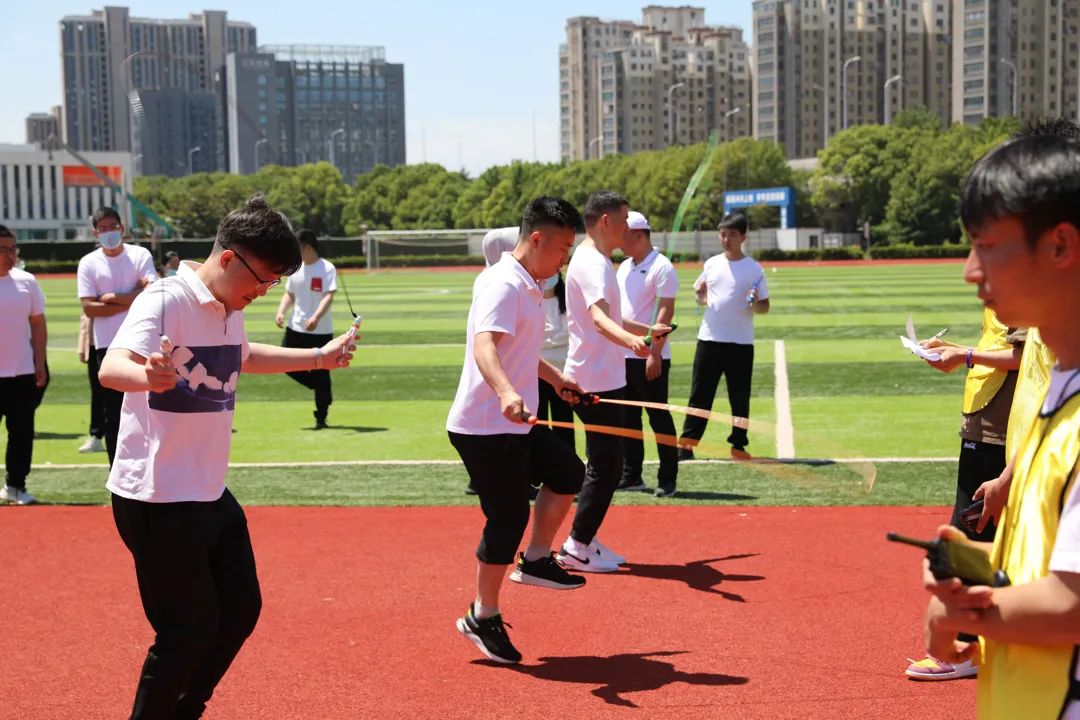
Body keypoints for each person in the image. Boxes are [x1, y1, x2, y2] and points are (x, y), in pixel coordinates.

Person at [98, 195, 357, 719]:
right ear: (229, 258)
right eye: (262, 279)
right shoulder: (165, 299)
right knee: (185, 630)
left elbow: (241, 356)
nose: (263, 292)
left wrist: (318, 357)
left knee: (240, 610)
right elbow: (112, 366)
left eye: (273, 284)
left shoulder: (227, 307)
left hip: (208, 489)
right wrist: (146, 375)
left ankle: (185, 709)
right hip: (157, 496)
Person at [919, 134, 1080, 719]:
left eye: (986, 247)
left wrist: (958, 615)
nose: (970, 271)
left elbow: (1072, 606)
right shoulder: (1058, 390)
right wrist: (979, 570)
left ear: (1060, 245)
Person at [447, 196, 589, 664]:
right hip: (485, 426)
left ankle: (537, 559)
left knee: (568, 472)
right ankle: (482, 615)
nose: (565, 258)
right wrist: (507, 392)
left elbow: (521, 349)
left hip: (513, 424)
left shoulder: (529, 284)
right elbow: (485, 346)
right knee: (507, 517)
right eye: (563, 248)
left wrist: (557, 379)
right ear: (537, 239)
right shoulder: (503, 284)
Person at [903, 308, 1022, 681]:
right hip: (986, 422)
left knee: (970, 535)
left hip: (998, 430)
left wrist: (966, 356)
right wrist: (953, 350)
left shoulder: (1025, 293)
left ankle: (967, 645)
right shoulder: (1011, 291)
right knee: (981, 534)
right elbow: (1002, 345)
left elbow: (1028, 356)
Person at [556, 190, 667, 573]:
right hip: (594, 382)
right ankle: (576, 545)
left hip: (602, 377)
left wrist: (646, 330)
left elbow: (612, 317)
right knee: (606, 466)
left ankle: (582, 540)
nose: (628, 229)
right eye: (623, 221)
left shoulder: (598, 261)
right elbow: (600, 321)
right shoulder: (591, 263)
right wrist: (633, 342)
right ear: (605, 221)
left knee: (607, 463)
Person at [678, 212, 769, 462]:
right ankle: (686, 445)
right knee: (700, 395)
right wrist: (700, 295)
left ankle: (738, 444)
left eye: (732, 234)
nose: (726, 239)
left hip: (741, 343)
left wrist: (754, 304)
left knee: (739, 398)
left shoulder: (754, 269)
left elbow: (764, 306)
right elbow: (701, 297)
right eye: (722, 234)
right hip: (709, 339)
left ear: (743, 237)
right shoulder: (711, 264)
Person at [77, 207, 159, 465]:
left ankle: (149, 467)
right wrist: (132, 298)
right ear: (95, 232)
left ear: (122, 228)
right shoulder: (89, 262)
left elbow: (152, 292)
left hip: (141, 342)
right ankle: (116, 470)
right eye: (102, 228)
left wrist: (111, 298)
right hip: (107, 345)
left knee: (148, 409)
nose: (109, 232)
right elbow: (89, 308)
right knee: (113, 414)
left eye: (112, 226)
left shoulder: (139, 255)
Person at [616, 210, 680, 497]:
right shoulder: (624, 267)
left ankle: (668, 479)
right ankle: (632, 475)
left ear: (639, 235)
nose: (619, 241)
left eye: (624, 235)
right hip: (625, 354)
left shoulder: (662, 267)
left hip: (650, 354)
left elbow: (666, 312)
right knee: (629, 419)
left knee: (658, 417)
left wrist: (655, 353)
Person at [0, 225, 47, 505]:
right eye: (3, 250)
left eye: (12, 249)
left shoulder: (27, 281)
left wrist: (39, 361)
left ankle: (15, 485)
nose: (10, 255)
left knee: (21, 433)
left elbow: (38, 323)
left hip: (21, 371)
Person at [274, 230, 338, 429]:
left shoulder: (326, 268)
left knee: (321, 373)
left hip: (320, 330)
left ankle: (321, 417)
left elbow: (329, 295)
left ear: (308, 248)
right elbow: (290, 294)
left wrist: (316, 317)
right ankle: (319, 387)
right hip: (296, 327)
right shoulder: (296, 268)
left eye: (298, 248)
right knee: (285, 363)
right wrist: (281, 311)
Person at [76, 311, 106, 453]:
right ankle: (96, 435)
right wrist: (83, 343)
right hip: (95, 343)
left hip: (121, 342)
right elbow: (87, 311)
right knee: (97, 392)